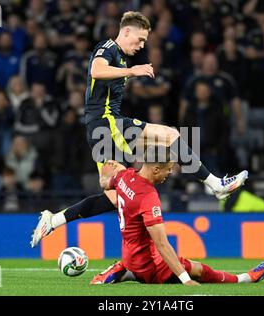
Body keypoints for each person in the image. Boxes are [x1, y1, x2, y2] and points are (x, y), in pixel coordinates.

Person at [30, 11, 248, 248]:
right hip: (105, 123)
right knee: (167, 139)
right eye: (140, 39)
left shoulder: (121, 58)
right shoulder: (108, 48)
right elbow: (96, 70)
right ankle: (215, 185)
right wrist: (132, 72)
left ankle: (54, 220)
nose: (142, 44)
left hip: (106, 126)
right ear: (126, 32)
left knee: (115, 196)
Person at [90, 146, 264, 285]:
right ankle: (246, 279)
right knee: (199, 270)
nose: (170, 172)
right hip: (150, 265)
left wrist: (106, 170)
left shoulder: (125, 176)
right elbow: (162, 244)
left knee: (146, 263)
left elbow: (106, 183)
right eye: (168, 168)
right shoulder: (148, 197)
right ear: (155, 169)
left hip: (130, 255)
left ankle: (124, 270)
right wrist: (185, 279)